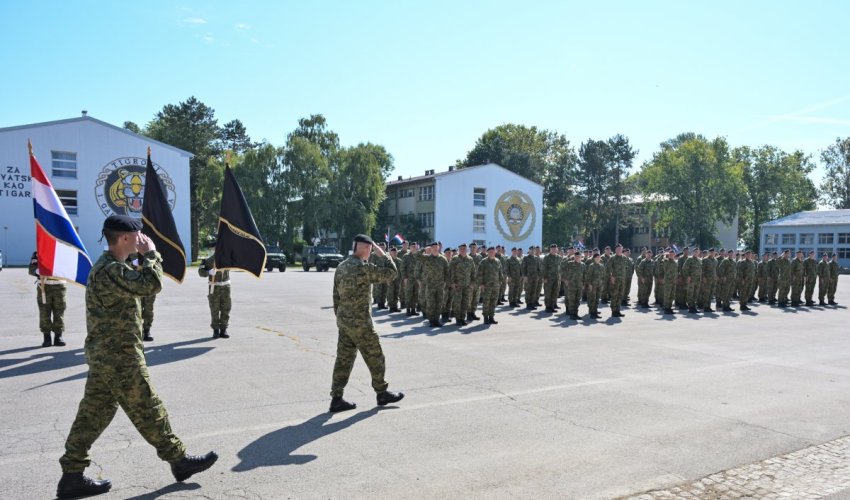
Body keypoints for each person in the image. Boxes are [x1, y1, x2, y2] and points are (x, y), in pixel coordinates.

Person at [57, 215, 217, 500]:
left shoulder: (113, 268)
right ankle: (178, 460)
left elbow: (140, 283)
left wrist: (143, 258)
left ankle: (71, 476)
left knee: (91, 416)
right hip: (119, 358)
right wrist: (151, 254)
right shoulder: (110, 271)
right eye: (138, 235)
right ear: (124, 238)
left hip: (109, 355)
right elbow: (151, 284)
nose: (142, 238)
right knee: (149, 408)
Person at [330, 234, 404, 413]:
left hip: (345, 322)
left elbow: (336, 296)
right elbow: (391, 273)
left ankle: (336, 398)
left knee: (343, 359)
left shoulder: (341, 267)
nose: (372, 251)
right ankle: (382, 392)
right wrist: (383, 253)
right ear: (365, 248)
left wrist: (341, 318)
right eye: (370, 248)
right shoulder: (361, 268)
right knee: (375, 356)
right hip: (360, 323)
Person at [28, 251, 67, 347]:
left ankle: (58, 336)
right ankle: (47, 337)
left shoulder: (62, 250)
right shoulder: (39, 252)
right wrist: (38, 271)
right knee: (44, 312)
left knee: (59, 311)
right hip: (44, 287)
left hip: (59, 286)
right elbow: (31, 269)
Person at [199, 254, 231, 338]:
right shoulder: (208, 260)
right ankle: (216, 330)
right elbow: (201, 272)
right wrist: (208, 272)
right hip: (214, 287)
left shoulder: (228, 258)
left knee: (226, 309)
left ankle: (223, 330)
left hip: (226, 287)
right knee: (214, 309)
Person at [449, 243, 474, 326]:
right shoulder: (455, 259)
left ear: (466, 249)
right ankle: (458, 319)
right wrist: (452, 282)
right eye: (461, 249)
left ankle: (463, 318)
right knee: (457, 303)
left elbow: (473, 272)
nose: (463, 250)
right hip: (458, 285)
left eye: (464, 248)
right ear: (459, 250)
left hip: (467, 285)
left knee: (465, 302)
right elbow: (451, 271)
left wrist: (472, 282)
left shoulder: (470, 259)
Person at [478, 247, 503, 324]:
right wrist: (481, 284)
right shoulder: (483, 262)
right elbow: (479, 274)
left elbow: (500, 273)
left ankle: (491, 317)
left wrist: (500, 282)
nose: (492, 253)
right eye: (490, 252)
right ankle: (486, 317)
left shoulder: (498, 261)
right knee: (486, 302)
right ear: (488, 253)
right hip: (486, 286)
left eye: (493, 251)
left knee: (493, 302)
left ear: (495, 252)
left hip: (496, 285)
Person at [605, 244, 629, 318]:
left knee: (620, 295)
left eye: (620, 249)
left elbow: (626, 268)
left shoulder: (625, 258)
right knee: (614, 295)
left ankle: (618, 310)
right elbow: (607, 268)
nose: (619, 250)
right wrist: (611, 277)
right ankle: (613, 311)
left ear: (622, 249)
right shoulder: (612, 258)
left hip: (622, 280)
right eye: (618, 249)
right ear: (615, 250)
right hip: (615, 280)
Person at [561, 250, 585, 320]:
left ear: (581, 257)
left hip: (580, 285)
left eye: (579, 257)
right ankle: (572, 314)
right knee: (572, 300)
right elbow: (562, 270)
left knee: (577, 300)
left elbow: (584, 275)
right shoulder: (569, 264)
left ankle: (575, 313)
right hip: (571, 285)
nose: (577, 258)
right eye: (576, 257)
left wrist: (584, 284)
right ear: (574, 257)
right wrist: (565, 279)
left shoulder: (583, 265)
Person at [542, 243, 562, 313]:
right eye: (552, 249)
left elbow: (560, 268)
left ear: (557, 249)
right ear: (550, 249)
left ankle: (553, 305)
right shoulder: (547, 257)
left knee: (555, 292)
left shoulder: (559, 257)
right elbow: (543, 268)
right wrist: (544, 277)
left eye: (555, 249)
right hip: (549, 278)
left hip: (557, 278)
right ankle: (548, 307)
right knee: (548, 293)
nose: (554, 250)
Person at [584, 253, 605, 319]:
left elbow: (604, 275)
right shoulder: (591, 266)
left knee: (597, 299)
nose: (598, 258)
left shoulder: (601, 266)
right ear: (594, 258)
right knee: (593, 299)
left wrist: (603, 284)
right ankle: (593, 313)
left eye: (599, 257)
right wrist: (589, 284)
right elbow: (588, 276)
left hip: (599, 285)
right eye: (596, 257)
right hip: (593, 285)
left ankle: (594, 310)